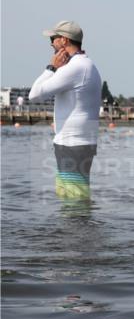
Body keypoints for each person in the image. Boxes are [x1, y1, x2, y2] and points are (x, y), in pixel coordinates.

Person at [28, 21, 102, 199]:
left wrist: (51, 67)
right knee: (71, 196)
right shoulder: (86, 65)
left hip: (72, 143)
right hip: (76, 142)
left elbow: (34, 95)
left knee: (73, 199)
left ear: (64, 40)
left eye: (53, 39)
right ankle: (78, 226)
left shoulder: (74, 68)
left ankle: (79, 227)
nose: (51, 44)